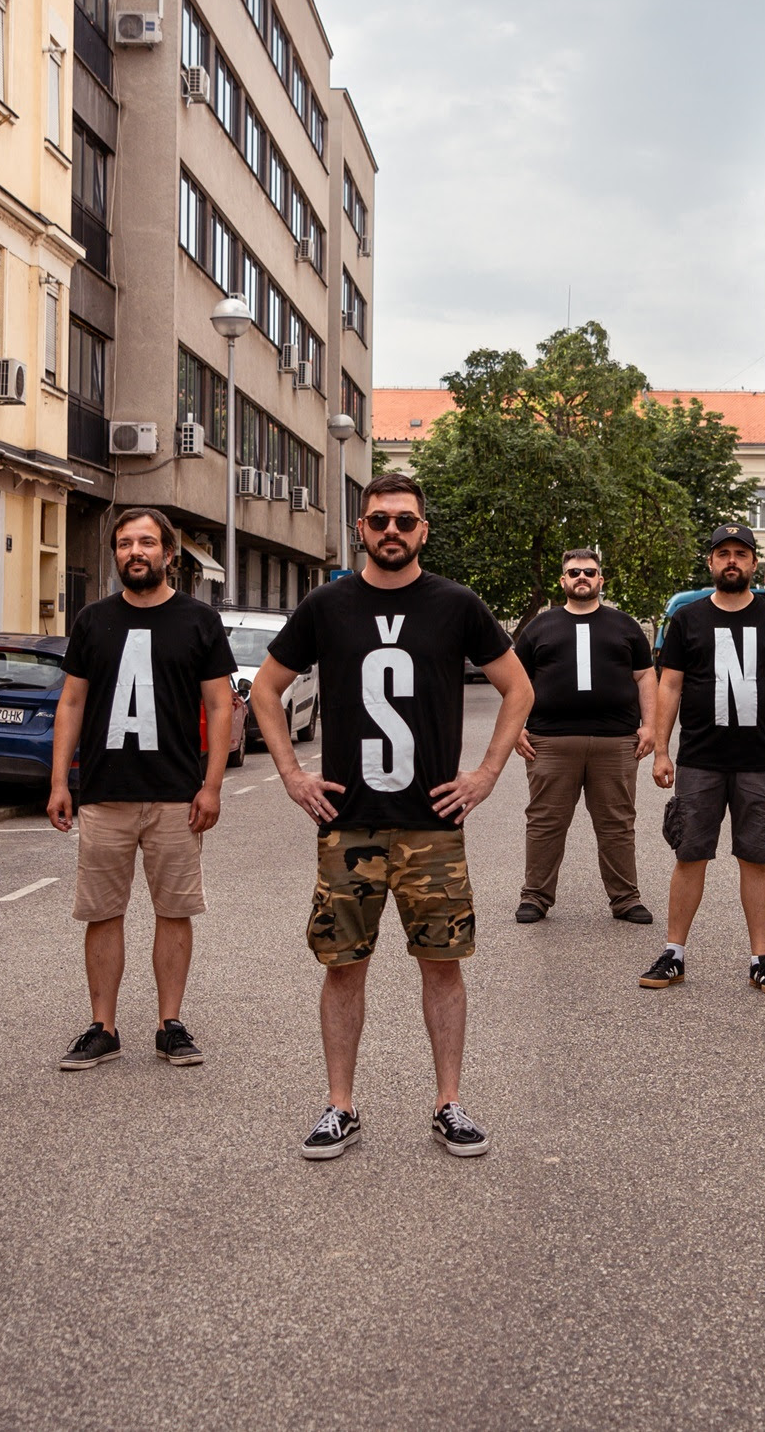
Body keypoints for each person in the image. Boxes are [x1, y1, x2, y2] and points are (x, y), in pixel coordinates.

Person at [251, 472, 535, 1161]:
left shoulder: (457, 604)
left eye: (405, 521)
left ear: (423, 531)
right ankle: (339, 1105)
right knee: (344, 964)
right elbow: (264, 687)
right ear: (361, 528)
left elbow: (519, 686)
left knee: (442, 964)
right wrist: (291, 773)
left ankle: (449, 1102)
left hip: (432, 824)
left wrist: (487, 774)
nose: (392, 532)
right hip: (349, 824)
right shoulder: (327, 605)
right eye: (379, 520)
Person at [45, 508, 238, 1071]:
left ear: (168, 554)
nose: (136, 551)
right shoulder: (92, 620)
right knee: (102, 913)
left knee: (173, 911)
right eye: (126, 543)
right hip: (104, 794)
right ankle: (103, 1027)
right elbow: (72, 702)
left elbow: (220, 705)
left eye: (147, 542)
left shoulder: (198, 621)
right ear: (116, 554)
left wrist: (212, 786)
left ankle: (169, 1023)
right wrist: (61, 780)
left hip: (177, 795)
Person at [641, 524, 765, 996]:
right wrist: (661, 749)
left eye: (741, 553)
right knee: (689, 854)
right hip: (700, 758)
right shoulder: (688, 619)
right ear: (711, 563)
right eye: (723, 554)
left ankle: (761, 958)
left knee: (755, 856)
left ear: (754, 563)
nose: (731, 560)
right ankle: (674, 953)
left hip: (759, 759)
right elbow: (668, 686)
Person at [509, 548, 657, 925]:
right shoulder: (539, 629)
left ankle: (626, 899)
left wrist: (650, 725)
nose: (582, 578)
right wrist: (516, 726)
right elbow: (514, 680)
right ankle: (535, 898)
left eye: (589, 572)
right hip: (550, 742)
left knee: (617, 823)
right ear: (563, 581)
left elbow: (645, 677)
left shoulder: (625, 626)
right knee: (544, 822)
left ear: (600, 580)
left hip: (616, 742)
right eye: (574, 572)